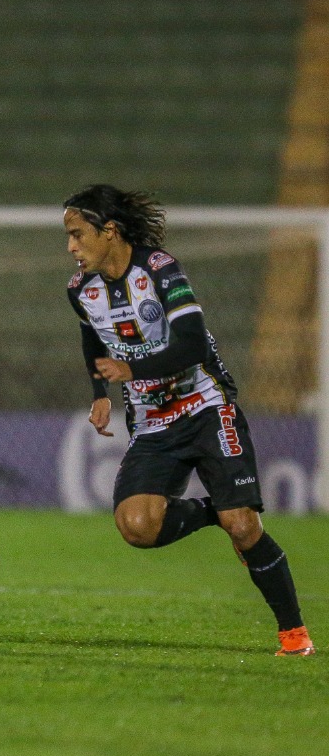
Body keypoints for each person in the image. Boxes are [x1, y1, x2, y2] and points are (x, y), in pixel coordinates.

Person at [65, 184, 315, 656]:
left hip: (204, 406)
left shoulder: (159, 269)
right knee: (136, 527)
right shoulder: (80, 290)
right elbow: (92, 338)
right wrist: (100, 391)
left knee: (244, 526)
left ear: (109, 231)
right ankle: (211, 513)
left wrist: (130, 369)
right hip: (153, 421)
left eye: (78, 235)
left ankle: (294, 633)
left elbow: (193, 344)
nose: (71, 247)